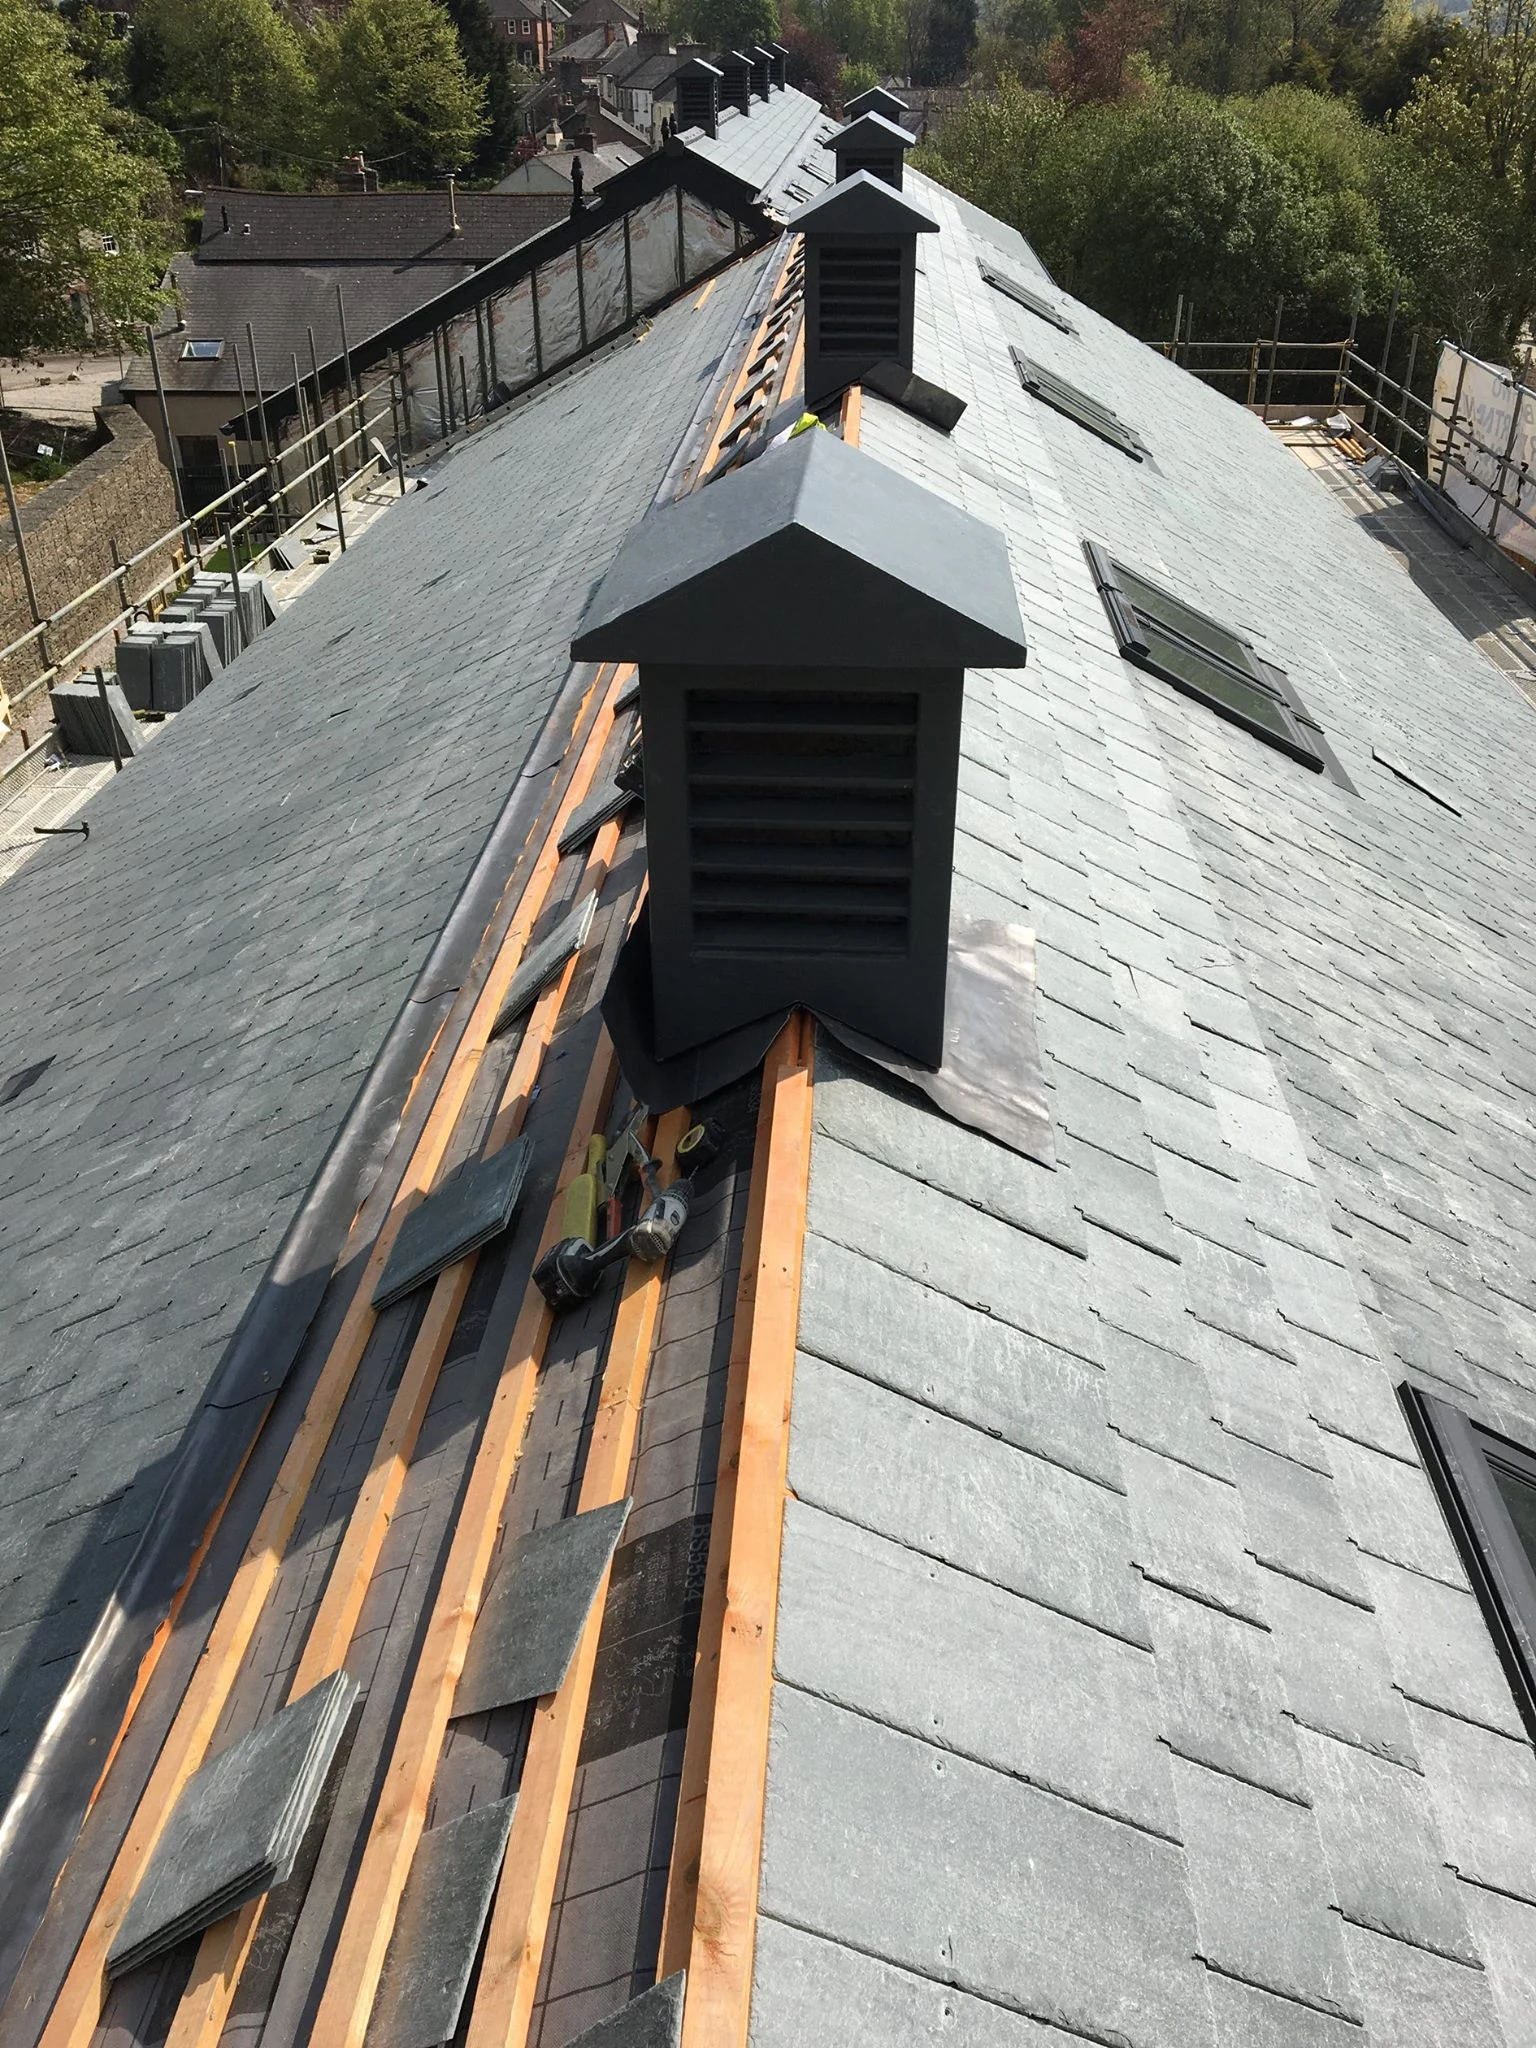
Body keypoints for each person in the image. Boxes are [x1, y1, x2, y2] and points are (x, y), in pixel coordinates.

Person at [569, 150, 585, 215]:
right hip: (578, 179)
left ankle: (578, 198)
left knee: (577, 188)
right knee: (578, 188)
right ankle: (579, 197)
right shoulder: (579, 169)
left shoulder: (575, 168)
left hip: (577, 180)